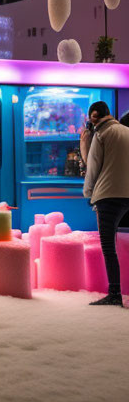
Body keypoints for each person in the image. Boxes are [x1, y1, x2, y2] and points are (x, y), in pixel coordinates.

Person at [81, 101, 129, 306]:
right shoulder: (127, 131)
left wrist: (89, 194)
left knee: (109, 247)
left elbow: (92, 168)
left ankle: (115, 293)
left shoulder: (101, 134)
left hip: (107, 196)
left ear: (94, 117)